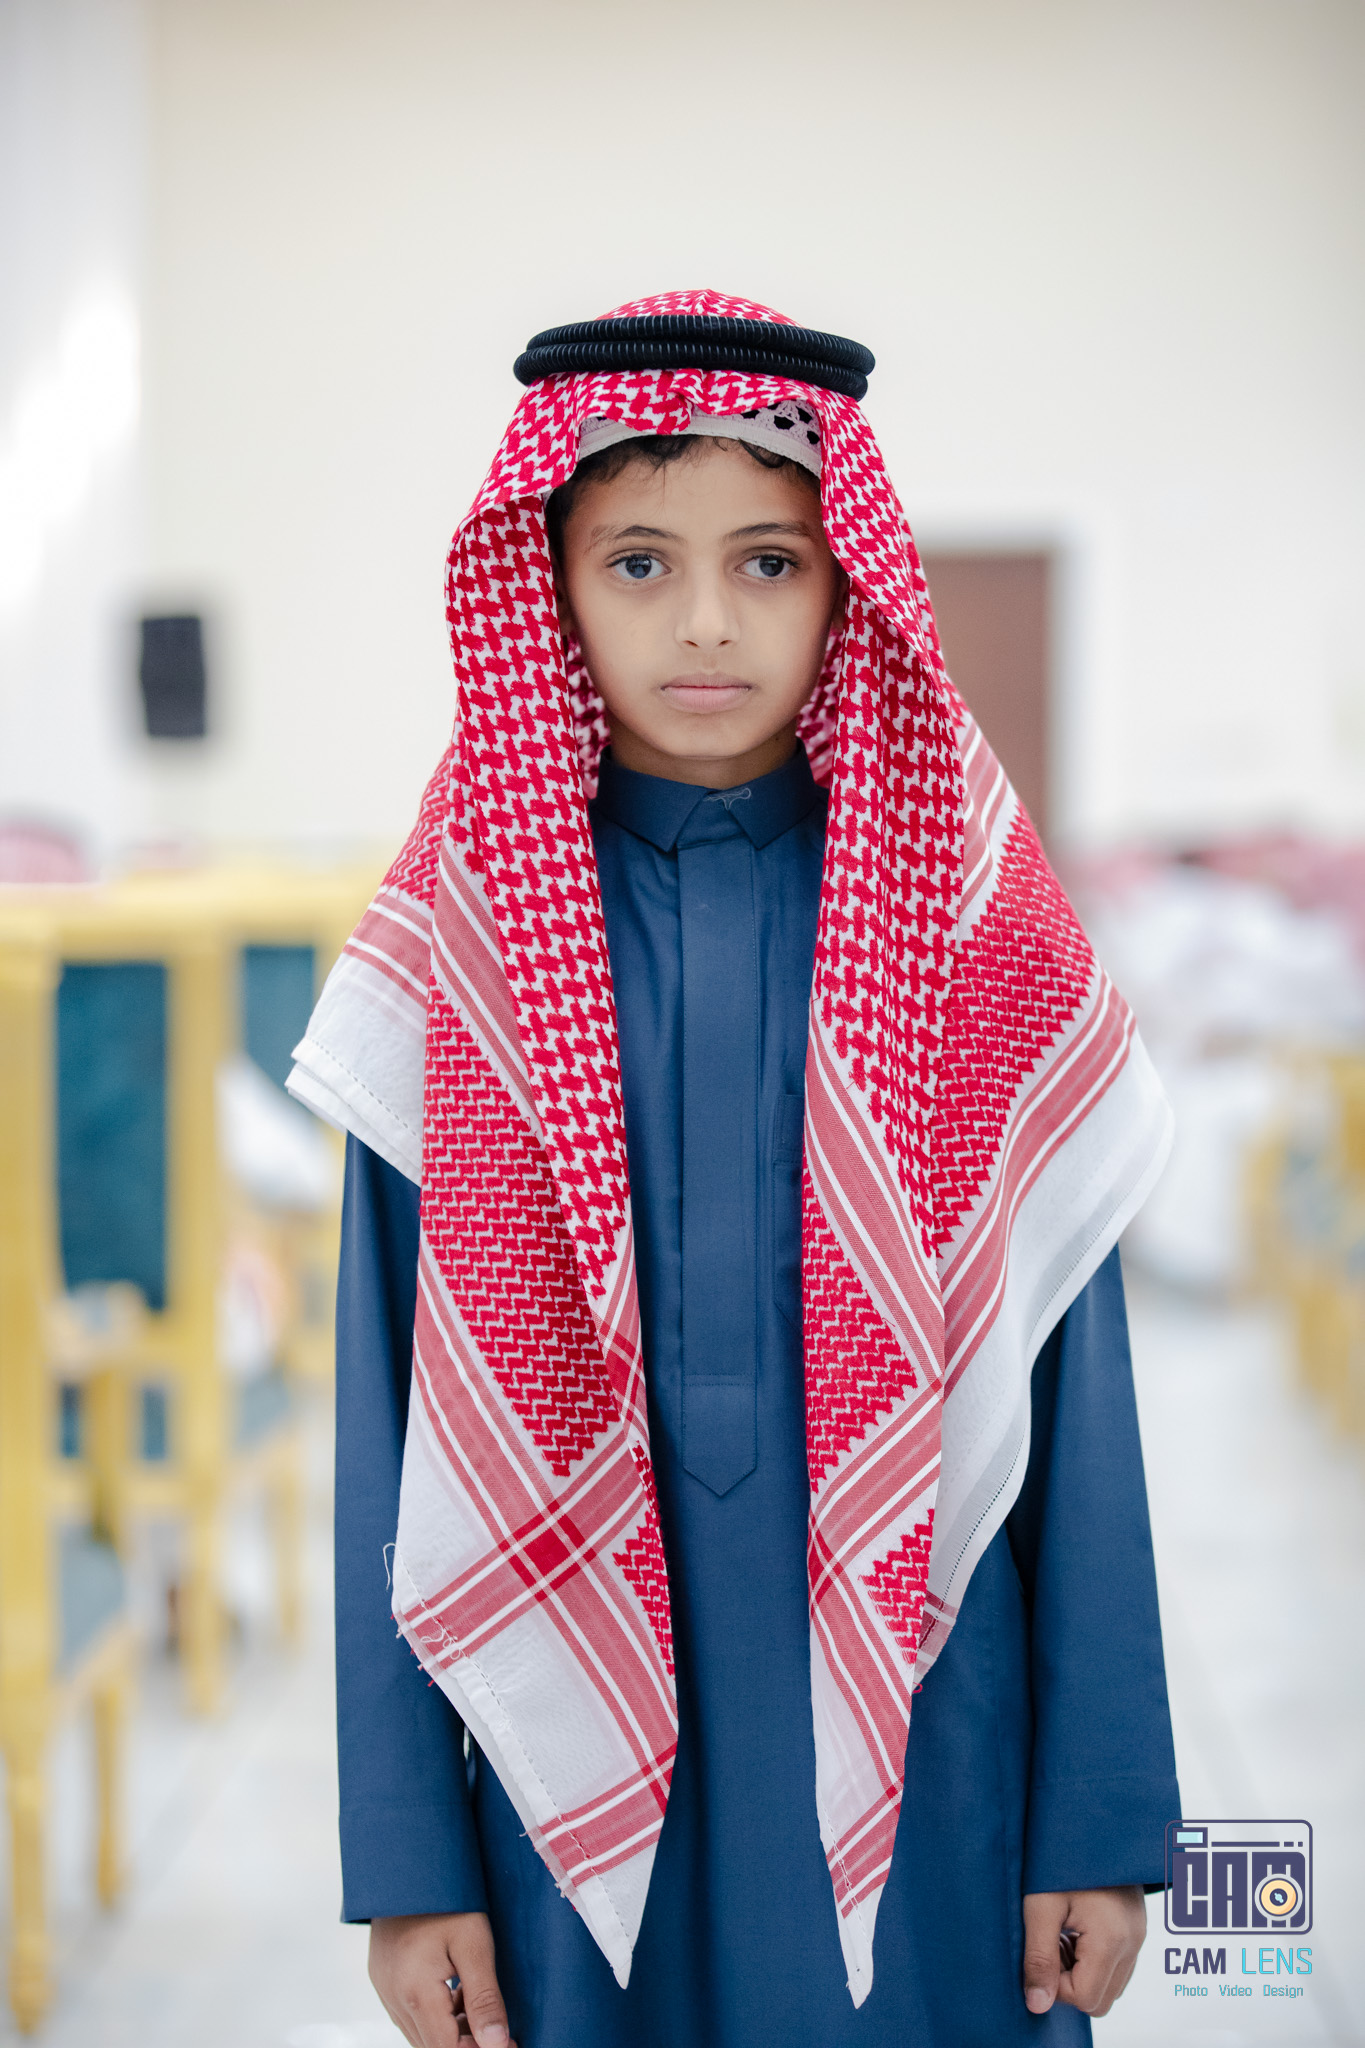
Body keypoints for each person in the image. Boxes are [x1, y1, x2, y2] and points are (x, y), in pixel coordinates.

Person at [288, 291, 1180, 2048]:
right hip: (562, 1771)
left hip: (937, 1738)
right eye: (637, 564)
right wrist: (406, 1860)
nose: (704, 621)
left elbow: (1076, 1392)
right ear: (548, 588)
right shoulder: (465, 947)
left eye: (767, 563)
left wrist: (1103, 1819)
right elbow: (393, 1410)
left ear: (847, 587)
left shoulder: (967, 927)